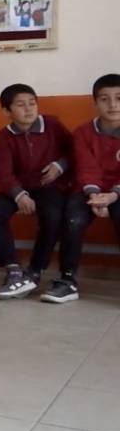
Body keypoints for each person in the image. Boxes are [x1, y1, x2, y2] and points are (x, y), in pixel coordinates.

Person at [0, 84, 73, 299]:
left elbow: (74, 151)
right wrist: (19, 195)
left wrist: (59, 166)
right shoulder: (4, 136)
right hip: (18, 188)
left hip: (48, 186)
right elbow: (3, 174)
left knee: (53, 216)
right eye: (21, 105)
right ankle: (13, 270)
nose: (29, 109)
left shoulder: (52, 125)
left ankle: (35, 270)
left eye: (32, 103)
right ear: (7, 111)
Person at [56, 74, 120, 303]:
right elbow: (86, 167)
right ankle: (67, 280)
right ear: (95, 103)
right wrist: (94, 196)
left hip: (118, 192)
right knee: (73, 220)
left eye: (119, 98)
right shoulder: (83, 133)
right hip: (88, 190)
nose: (113, 105)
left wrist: (113, 196)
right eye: (105, 99)